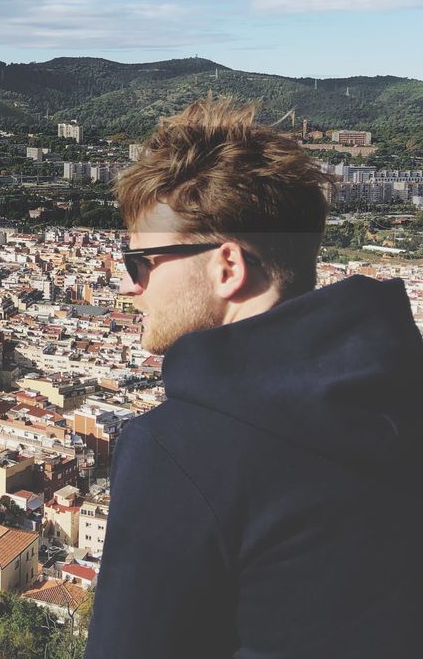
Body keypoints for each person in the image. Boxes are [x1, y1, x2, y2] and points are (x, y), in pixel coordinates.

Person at [84, 94, 423, 659]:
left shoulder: (179, 452)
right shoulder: (402, 391)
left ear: (227, 266)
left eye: (138, 262)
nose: (127, 286)